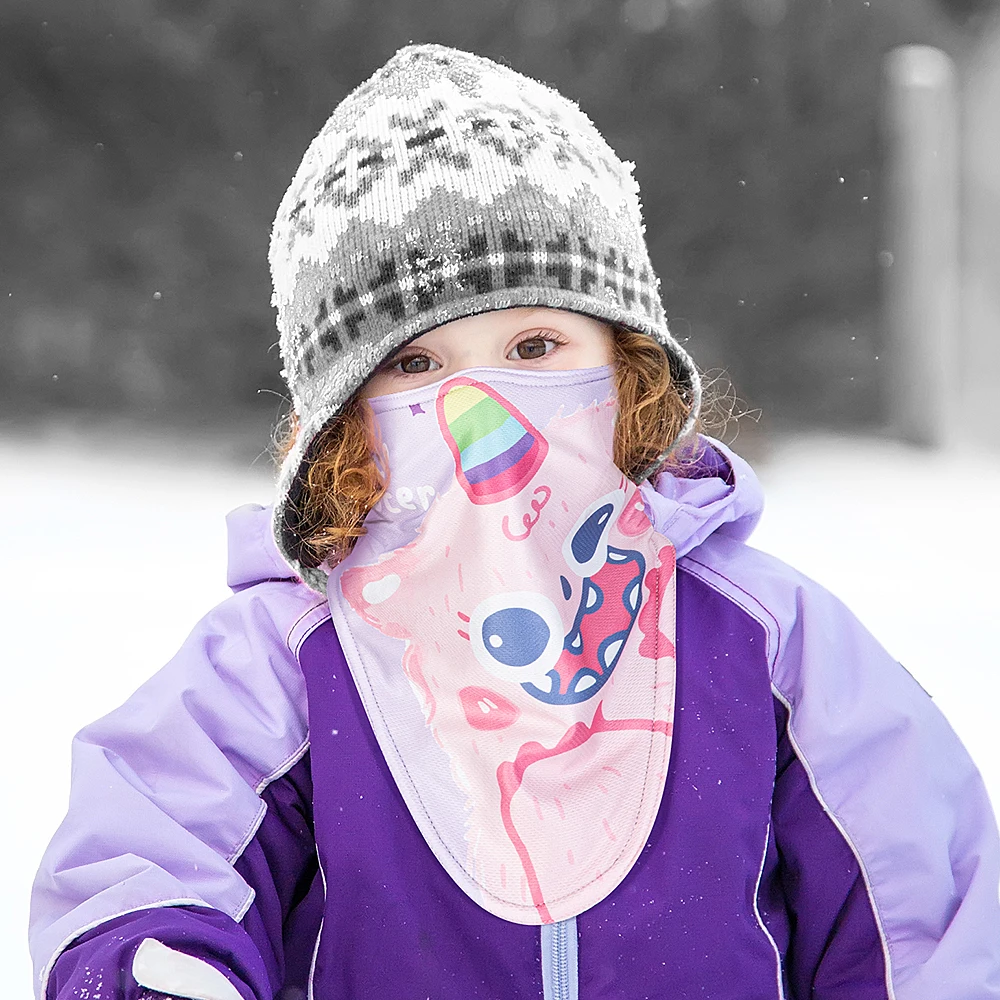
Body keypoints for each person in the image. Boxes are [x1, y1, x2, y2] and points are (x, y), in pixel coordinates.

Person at [28, 43, 1000, 1000]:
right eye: (414, 364)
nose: (478, 403)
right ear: (339, 419)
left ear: (625, 368)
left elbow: (924, 912)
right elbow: (150, 841)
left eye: (534, 343)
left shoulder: (773, 642)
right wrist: (154, 963)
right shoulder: (281, 661)